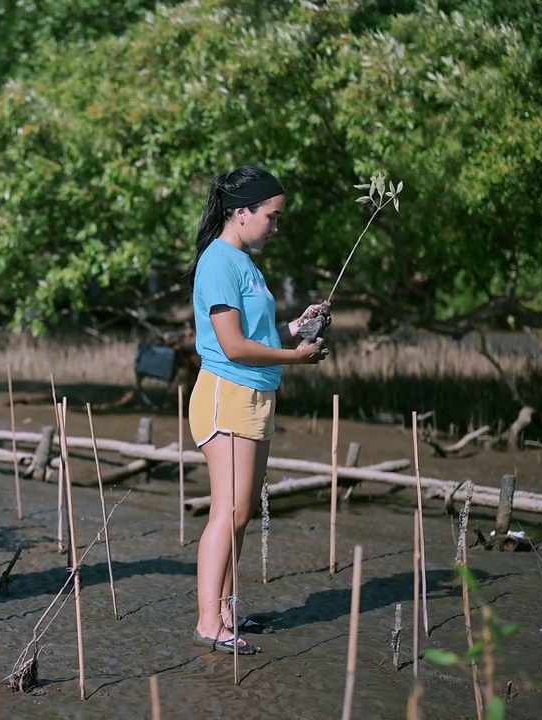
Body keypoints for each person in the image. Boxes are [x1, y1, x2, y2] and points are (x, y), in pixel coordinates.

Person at [186, 165, 329, 654]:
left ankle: (225, 609)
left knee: (241, 512)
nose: (276, 226)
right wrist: (297, 358)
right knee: (228, 510)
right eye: (272, 216)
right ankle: (209, 620)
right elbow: (233, 347)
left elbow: (257, 335)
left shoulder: (245, 262)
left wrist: (296, 326)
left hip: (254, 395)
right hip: (228, 392)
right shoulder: (220, 262)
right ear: (241, 212)